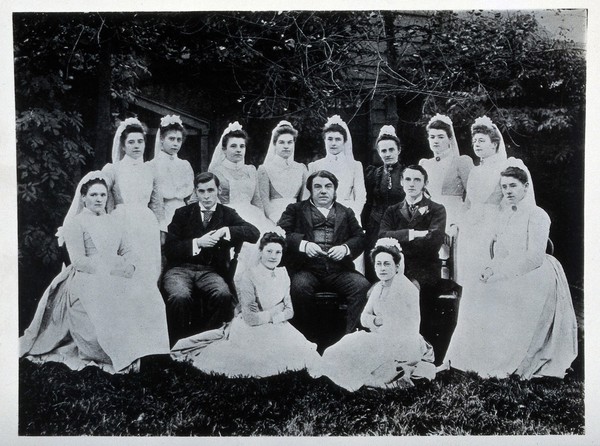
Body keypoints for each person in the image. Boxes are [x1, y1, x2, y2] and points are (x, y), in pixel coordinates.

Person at [20, 172, 170, 373]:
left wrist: (131, 266)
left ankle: (150, 351)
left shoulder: (115, 221)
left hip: (115, 272)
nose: (99, 199)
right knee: (107, 298)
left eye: (102, 195)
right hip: (87, 276)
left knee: (148, 292)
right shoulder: (77, 223)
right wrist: (109, 271)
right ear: (83, 198)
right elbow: (79, 261)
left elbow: (127, 251)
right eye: (93, 195)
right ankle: (122, 355)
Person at [444, 165, 578, 379]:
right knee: (474, 288)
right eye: (504, 186)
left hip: (536, 271)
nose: (508, 191)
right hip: (508, 268)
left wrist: (502, 274)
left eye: (513, 186)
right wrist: (489, 269)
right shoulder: (506, 214)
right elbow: (501, 254)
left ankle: (506, 359)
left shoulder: (537, 215)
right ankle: (473, 358)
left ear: (525, 187)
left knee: (505, 291)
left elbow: (534, 256)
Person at [170, 232, 320, 377]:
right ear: (260, 252)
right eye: (269, 251)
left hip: (277, 324)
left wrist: (275, 315)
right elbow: (250, 318)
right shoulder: (249, 276)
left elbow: (290, 311)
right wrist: (276, 310)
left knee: (303, 355)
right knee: (255, 362)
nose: (273, 257)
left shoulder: (283, 274)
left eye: (278, 252)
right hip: (251, 328)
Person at [310, 239, 436, 391]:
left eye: (387, 264)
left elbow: (409, 325)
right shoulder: (378, 287)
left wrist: (380, 326)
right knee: (339, 348)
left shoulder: (406, 288)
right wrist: (376, 320)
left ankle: (350, 381)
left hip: (402, 342)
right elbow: (364, 318)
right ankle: (334, 377)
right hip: (380, 337)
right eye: (378, 264)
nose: (382, 268)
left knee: (361, 356)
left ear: (397, 266)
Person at [162, 172, 260, 344]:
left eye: (210, 190)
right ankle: (178, 345)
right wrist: (197, 243)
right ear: (195, 192)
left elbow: (254, 233)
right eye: (201, 191)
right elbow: (170, 248)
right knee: (179, 296)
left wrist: (227, 231)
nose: (206, 196)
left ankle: (206, 342)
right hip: (179, 270)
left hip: (210, 271)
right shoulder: (182, 213)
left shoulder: (227, 214)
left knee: (223, 294)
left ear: (218, 190)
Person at [278, 170, 370, 346]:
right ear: (310, 190)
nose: (323, 191)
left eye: (328, 186)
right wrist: (303, 245)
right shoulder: (295, 209)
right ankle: (306, 341)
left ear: (335, 190)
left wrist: (345, 248)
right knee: (299, 288)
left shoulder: (346, 212)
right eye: (317, 187)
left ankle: (350, 342)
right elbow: (281, 234)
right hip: (306, 269)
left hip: (338, 271)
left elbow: (360, 238)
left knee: (362, 287)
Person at [101, 117, 165, 283]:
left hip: (147, 224)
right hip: (122, 222)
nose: (136, 146)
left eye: (140, 141)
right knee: (125, 268)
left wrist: (161, 229)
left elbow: (157, 203)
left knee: (147, 270)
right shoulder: (113, 169)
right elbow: (101, 197)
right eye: (131, 142)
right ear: (123, 146)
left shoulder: (151, 170)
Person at [456, 116, 511, 284]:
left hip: (492, 224)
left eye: (481, 140)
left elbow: (508, 204)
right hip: (470, 227)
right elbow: (467, 204)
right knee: (470, 272)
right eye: (474, 141)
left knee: (487, 268)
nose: (476, 144)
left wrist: (502, 230)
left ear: (494, 144)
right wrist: (460, 224)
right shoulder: (475, 171)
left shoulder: (504, 169)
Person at [378, 165, 446, 290]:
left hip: (425, 268)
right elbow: (382, 236)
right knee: (375, 293)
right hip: (395, 267)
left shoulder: (437, 209)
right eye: (408, 179)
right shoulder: (392, 210)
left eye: (417, 180)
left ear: (425, 183)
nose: (412, 184)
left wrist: (397, 239)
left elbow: (433, 242)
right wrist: (413, 234)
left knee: (411, 288)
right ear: (402, 182)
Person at [208, 121, 274, 233]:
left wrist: (262, 219)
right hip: (227, 218)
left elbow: (256, 199)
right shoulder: (216, 172)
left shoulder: (251, 170)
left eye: (242, 146)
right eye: (233, 146)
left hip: (253, 217)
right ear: (224, 150)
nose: (238, 150)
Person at [362, 125, 405, 281]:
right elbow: (367, 201)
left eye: (391, 150)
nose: (387, 154)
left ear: (398, 150)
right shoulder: (373, 173)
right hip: (376, 226)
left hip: (399, 225)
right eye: (383, 151)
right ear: (379, 153)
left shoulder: (407, 173)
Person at [306, 115, 367, 221]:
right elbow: (309, 197)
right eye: (330, 139)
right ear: (325, 140)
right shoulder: (314, 166)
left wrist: (352, 216)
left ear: (344, 142)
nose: (333, 143)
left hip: (348, 215)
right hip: (320, 216)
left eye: (338, 139)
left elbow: (361, 196)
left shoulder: (355, 165)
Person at [418, 114, 473, 230]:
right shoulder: (424, 164)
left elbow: (472, 194)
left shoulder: (461, 162)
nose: (436, 141)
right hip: (428, 217)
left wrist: (462, 220)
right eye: (432, 137)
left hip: (453, 216)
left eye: (440, 137)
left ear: (450, 139)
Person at [257, 120, 309, 225]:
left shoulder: (301, 168)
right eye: (281, 142)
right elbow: (264, 202)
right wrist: (278, 221)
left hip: (297, 218)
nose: (286, 146)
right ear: (275, 144)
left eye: (290, 142)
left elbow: (304, 199)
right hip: (272, 219)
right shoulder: (264, 169)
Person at [149, 114, 194, 228]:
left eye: (179, 140)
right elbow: (154, 201)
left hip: (184, 213)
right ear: (162, 139)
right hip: (163, 214)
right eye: (171, 139)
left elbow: (191, 196)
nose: (175, 143)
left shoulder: (185, 165)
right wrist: (161, 224)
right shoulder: (152, 165)